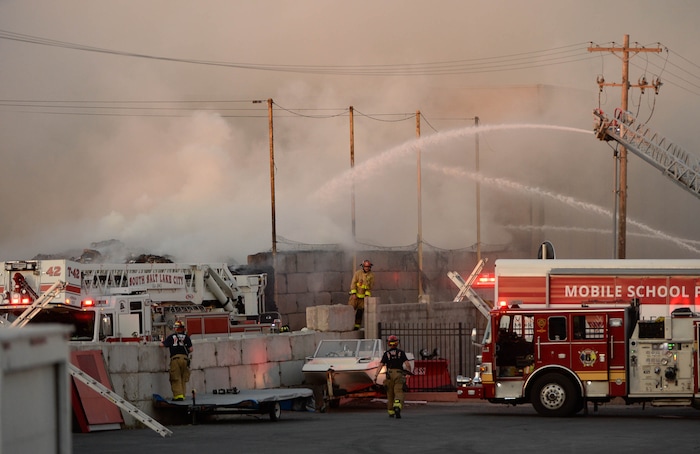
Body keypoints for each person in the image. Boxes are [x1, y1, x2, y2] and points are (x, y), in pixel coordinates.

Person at [376, 334, 412, 419]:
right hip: (399, 374)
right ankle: (397, 407)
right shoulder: (401, 353)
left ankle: (391, 411)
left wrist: (376, 375)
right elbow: (407, 364)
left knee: (390, 394)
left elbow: (380, 365)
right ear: (397, 343)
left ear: (389, 343)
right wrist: (408, 373)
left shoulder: (386, 354)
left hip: (389, 375)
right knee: (398, 392)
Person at [160, 319, 193, 401]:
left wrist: (162, 341)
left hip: (175, 359)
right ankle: (183, 395)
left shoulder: (172, 337)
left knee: (175, 377)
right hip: (185, 359)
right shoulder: (187, 337)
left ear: (176, 328)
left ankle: (178, 396)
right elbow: (191, 349)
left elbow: (162, 345)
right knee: (183, 378)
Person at [348, 259, 374, 330]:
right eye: (366, 267)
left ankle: (356, 327)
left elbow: (370, 287)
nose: (367, 268)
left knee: (360, 313)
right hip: (354, 297)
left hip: (362, 299)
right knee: (350, 311)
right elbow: (353, 283)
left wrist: (367, 295)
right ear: (363, 266)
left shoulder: (371, 275)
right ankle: (348, 326)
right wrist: (353, 293)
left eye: (368, 267)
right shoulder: (358, 273)